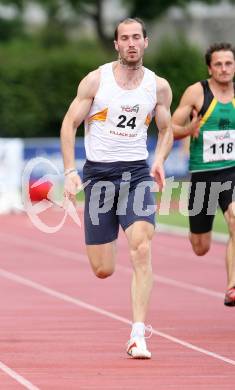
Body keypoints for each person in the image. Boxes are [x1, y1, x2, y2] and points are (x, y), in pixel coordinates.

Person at [60, 17, 173, 359]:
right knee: (103, 269)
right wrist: (69, 170)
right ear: (116, 45)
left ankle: (138, 334)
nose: (131, 43)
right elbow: (70, 123)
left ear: (146, 42)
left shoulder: (158, 86)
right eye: (124, 38)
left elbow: (166, 128)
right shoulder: (97, 80)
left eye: (136, 37)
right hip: (98, 176)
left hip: (137, 175)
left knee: (141, 248)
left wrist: (159, 159)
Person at [172, 42, 235, 307]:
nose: (224, 68)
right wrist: (190, 128)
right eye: (218, 64)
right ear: (210, 68)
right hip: (203, 177)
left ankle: (233, 286)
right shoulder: (197, 93)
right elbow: (172, 128)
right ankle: (197, 233)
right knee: (201, 247)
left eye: (229, 63)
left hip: (231, 171)